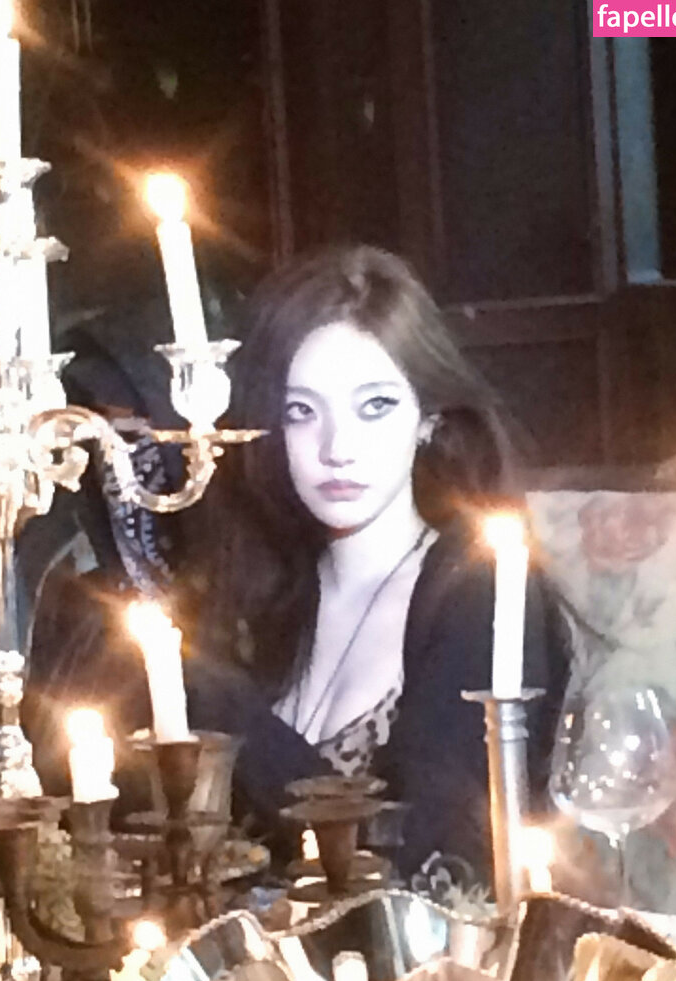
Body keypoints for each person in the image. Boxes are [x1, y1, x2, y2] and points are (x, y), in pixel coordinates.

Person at [182, 244, 570, 882]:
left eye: (376, 406)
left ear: (429, 419)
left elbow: (429, 863)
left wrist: (220, 707)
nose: (338, 447)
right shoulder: (258, 590)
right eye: (301, 412)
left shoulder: (483, 590)